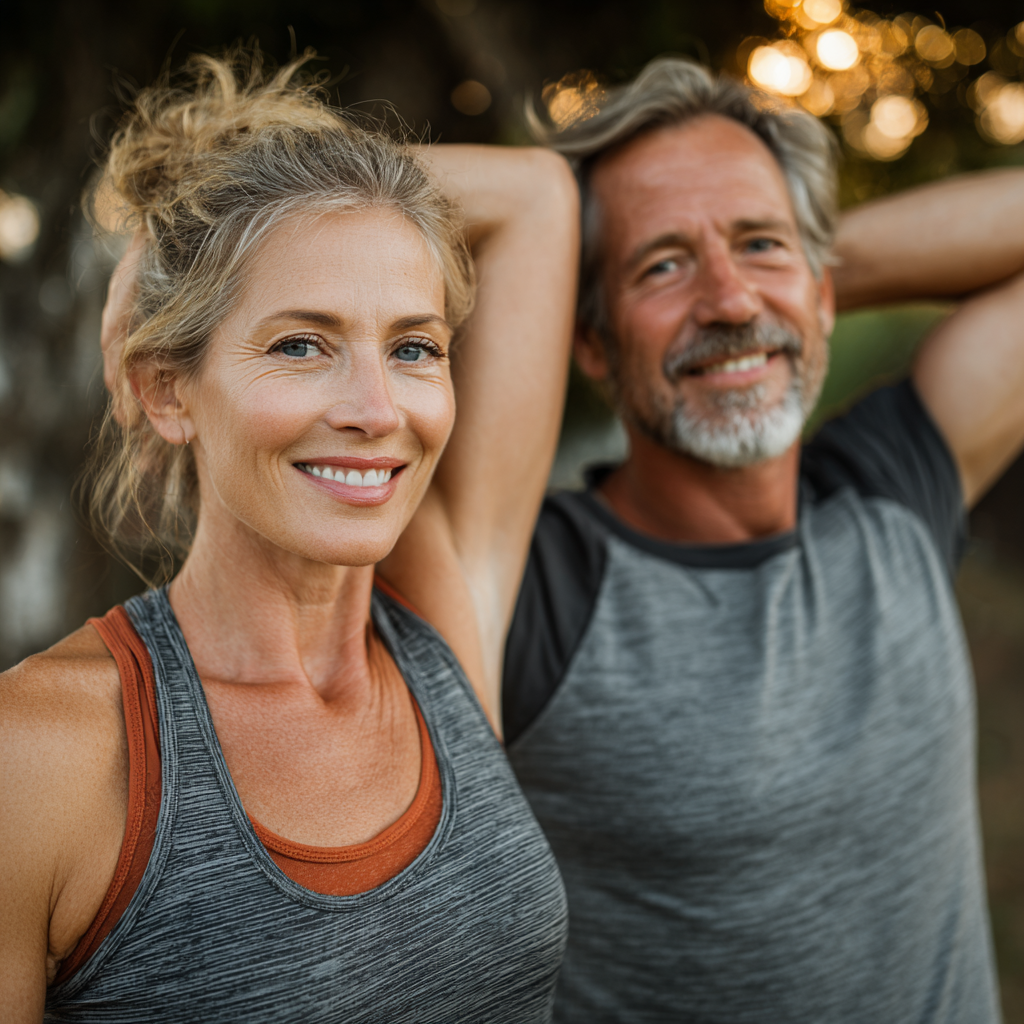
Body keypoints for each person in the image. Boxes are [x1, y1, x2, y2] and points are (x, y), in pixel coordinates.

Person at [0, 50, 579, 1021]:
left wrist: (185, 228)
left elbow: (540, 196)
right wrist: (198, 228)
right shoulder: (40, 755)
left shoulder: (441, 624)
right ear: (165, 388)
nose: (374, 407)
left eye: (412, 347)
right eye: (300, 344)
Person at [502, 58, 1024, 1022]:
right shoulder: (532, 587)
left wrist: (799, 272)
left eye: (759, 248)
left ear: (830, 291)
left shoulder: (893, 491)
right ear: (588, 341)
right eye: (661, 265)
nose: (730, 302)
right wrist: (760, 254)